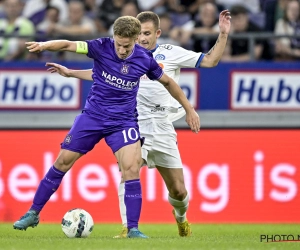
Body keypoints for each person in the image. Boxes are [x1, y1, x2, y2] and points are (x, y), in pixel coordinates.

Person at [44, 10, 231, 238]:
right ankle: (128, 227)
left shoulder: (170, 54)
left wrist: (222, 34)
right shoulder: (123, 55)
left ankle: (181, 218)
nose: (141, 38)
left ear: (157, 33)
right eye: (138, 34)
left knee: (179, 191)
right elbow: (101, 75)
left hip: (162, 125)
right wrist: (72, 73)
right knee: (128, 170)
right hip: (132, 121)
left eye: (146, 33)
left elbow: (210, 61)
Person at [12, 15, 200, 239]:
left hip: (123, 122)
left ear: (135, 39)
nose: (121, 50)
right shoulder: (100, 46)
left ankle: (132, 229)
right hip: (93, 117)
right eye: (119, 44)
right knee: (62, 161)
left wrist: (189, 108)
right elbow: (68, 44)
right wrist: (44, 45)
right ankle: (33, 212)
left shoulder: (144, 59)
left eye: (126, 45)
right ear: (114, 38)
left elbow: (169, 82)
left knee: (131, 169)